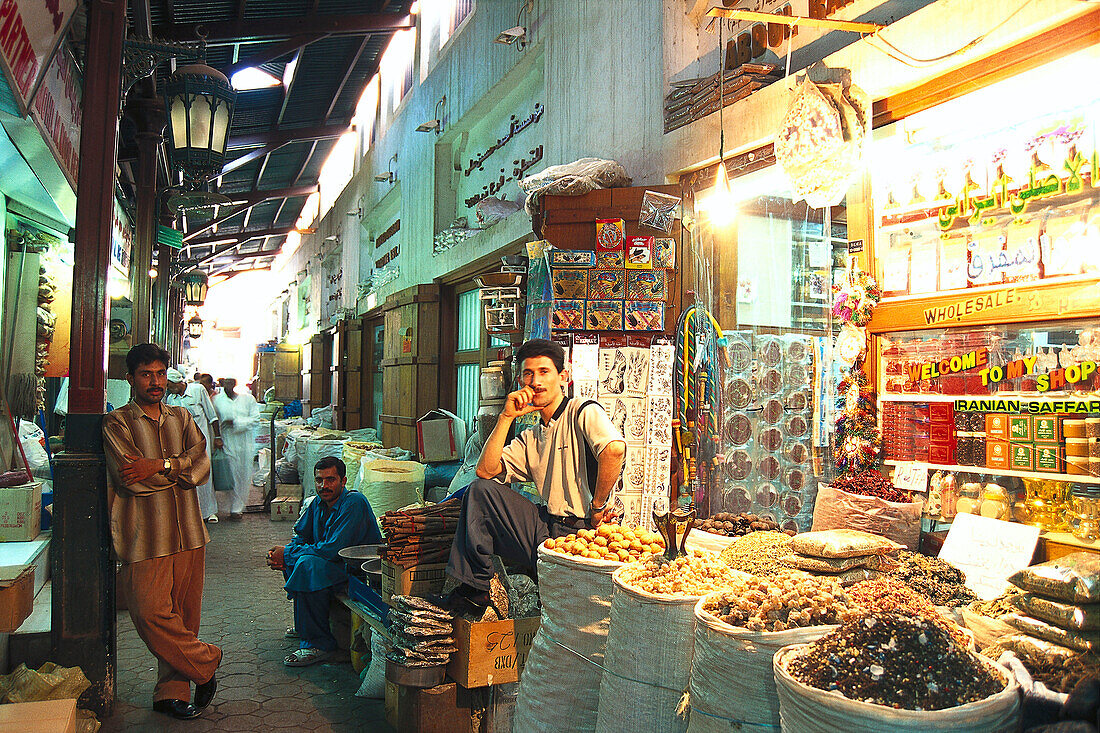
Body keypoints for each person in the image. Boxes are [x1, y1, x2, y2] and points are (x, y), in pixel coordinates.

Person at [439, 338, 626, 611]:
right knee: (480, 491)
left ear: (564, 376)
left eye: (544, 372)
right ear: (520, 380)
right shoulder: (532, 436)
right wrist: (506, 417)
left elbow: (614, 450)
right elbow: (485, 470)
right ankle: (475, 590)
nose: (536, 381)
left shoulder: (582, 411)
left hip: (583, 531)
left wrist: (597, 506)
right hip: (546, 527)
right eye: (529, 373)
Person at [102, 343, 221, 720]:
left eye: (159, 373)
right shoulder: (117, 423)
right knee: (150, 612)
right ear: (130, 378)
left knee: (184, 617)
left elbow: (201, 465)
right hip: (145, 536)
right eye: (145, 374)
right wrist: (176, 470)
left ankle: (170, 693)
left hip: (189, 532)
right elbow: (131, 480)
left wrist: (160, 464)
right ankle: (207, 663)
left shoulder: (182, 418)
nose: (155, 382)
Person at [266, 456, 382, 666]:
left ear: (344, 481)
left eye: (330, 480)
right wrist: (287, 553)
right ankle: (306, 627)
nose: (324, 486)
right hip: (332, 565)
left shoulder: (354, 502)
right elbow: (301, 535)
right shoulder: (317, 503)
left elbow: (332, 550)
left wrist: (289, 554)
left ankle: (318, 644)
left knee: (306, 565)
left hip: (356, 573)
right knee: (298, 560)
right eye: (319, 480)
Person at [166, 368, 222, 523]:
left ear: (177, 383)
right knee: (187, 476)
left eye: (169, 385)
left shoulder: (197, 390)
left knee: (204, 474)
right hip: (183, 443)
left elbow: (212, 416)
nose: (168, 388)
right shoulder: (171, 399)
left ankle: (210, 511)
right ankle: (192, 512)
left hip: (201, 441)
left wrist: (217, 437)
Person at [212, 377, 259, 521]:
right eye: (226, 383)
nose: (229, 386)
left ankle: (237, 509)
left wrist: (236, 422)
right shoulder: (217, 400)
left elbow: (255, 419)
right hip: (227, 442)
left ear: (235, 384)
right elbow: (213, 420)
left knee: (243, 474)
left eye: (231, 383)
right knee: (230, 474)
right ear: (222, 384)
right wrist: (217, 438)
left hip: (245, 443)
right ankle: (230, 506)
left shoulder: (248, 400)